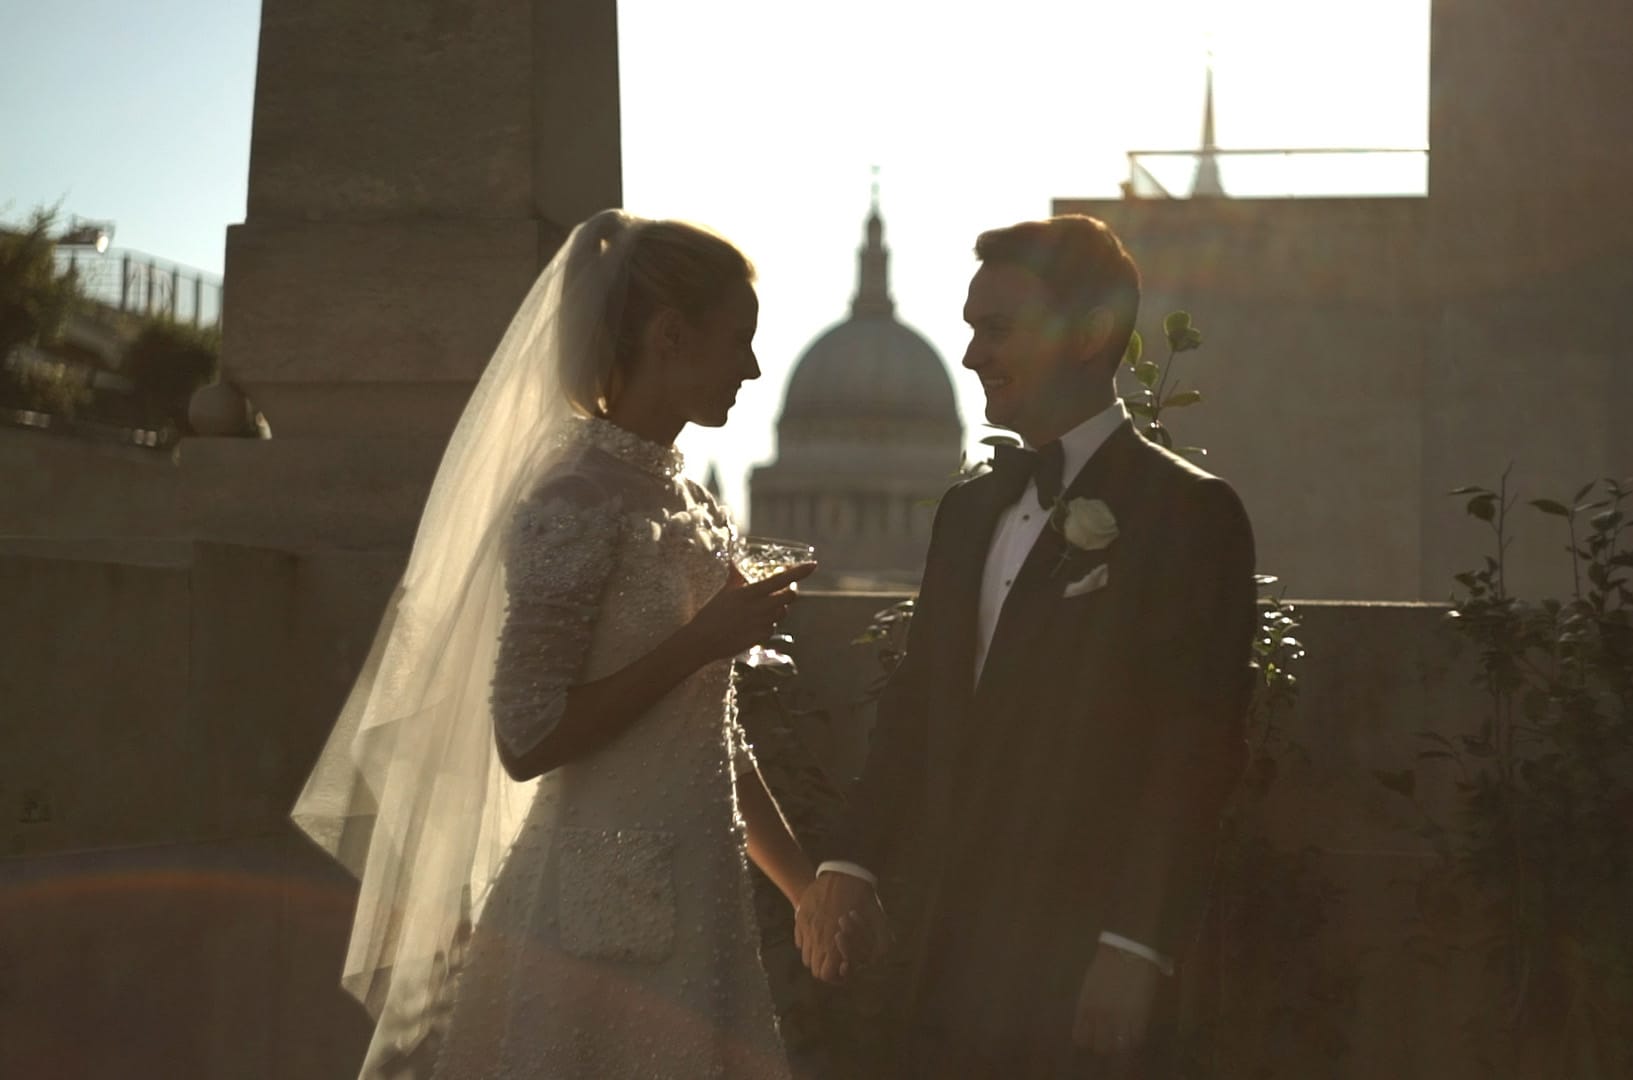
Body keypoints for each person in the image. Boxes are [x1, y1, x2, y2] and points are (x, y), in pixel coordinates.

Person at [293, 210, 818, 1079]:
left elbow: (709, 726)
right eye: (738, 340)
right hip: (597, 901)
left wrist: (801, 886)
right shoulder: (573, 500)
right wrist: (700, 641)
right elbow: (526, 737)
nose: (754, 368)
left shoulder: (688, 498)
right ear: (669, 334)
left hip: (703, 888)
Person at [796, 215, 1257, 1077]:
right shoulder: (966, 510)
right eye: (970, 328)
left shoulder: (1188, 514)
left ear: (1088, 333)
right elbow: (917, 702)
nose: (970, 354)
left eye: (996, 329)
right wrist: (850, 859)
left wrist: (1134, 943)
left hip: (1080, 955)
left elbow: (1191, 751)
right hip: (940, 949)